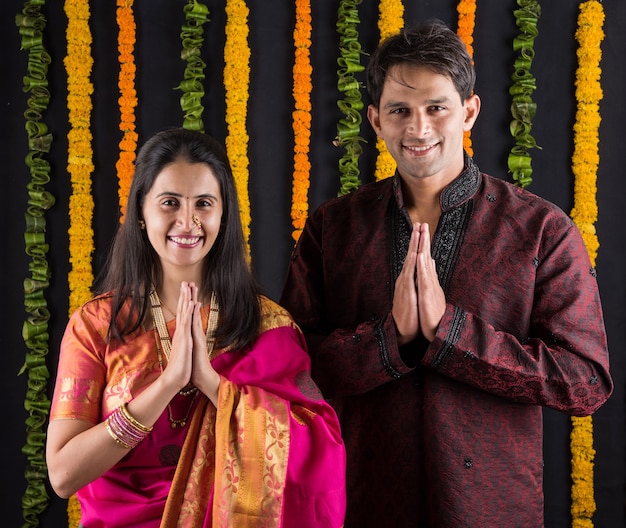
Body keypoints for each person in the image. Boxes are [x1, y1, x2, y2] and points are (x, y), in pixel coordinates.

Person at [279, 19, 613, 528]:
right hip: (363, 501)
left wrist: (451, 333)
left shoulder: (540, 229)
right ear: (375, 120)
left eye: (437, 107)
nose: (418, 129)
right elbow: (290, 369)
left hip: (491, 510)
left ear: (469, 111)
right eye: (399, 111)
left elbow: (585, 382)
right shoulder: (335, 227)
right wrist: (390, 340)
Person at [46, 127, 346, 527]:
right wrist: (167, 385)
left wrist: (212, 383)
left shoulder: (267, 326)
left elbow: (318, 455)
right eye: (169, 202)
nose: (187, 221)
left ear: (223, 215)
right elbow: (63, 475)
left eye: (204, 203)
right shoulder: (96, 326)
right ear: (141, 211)